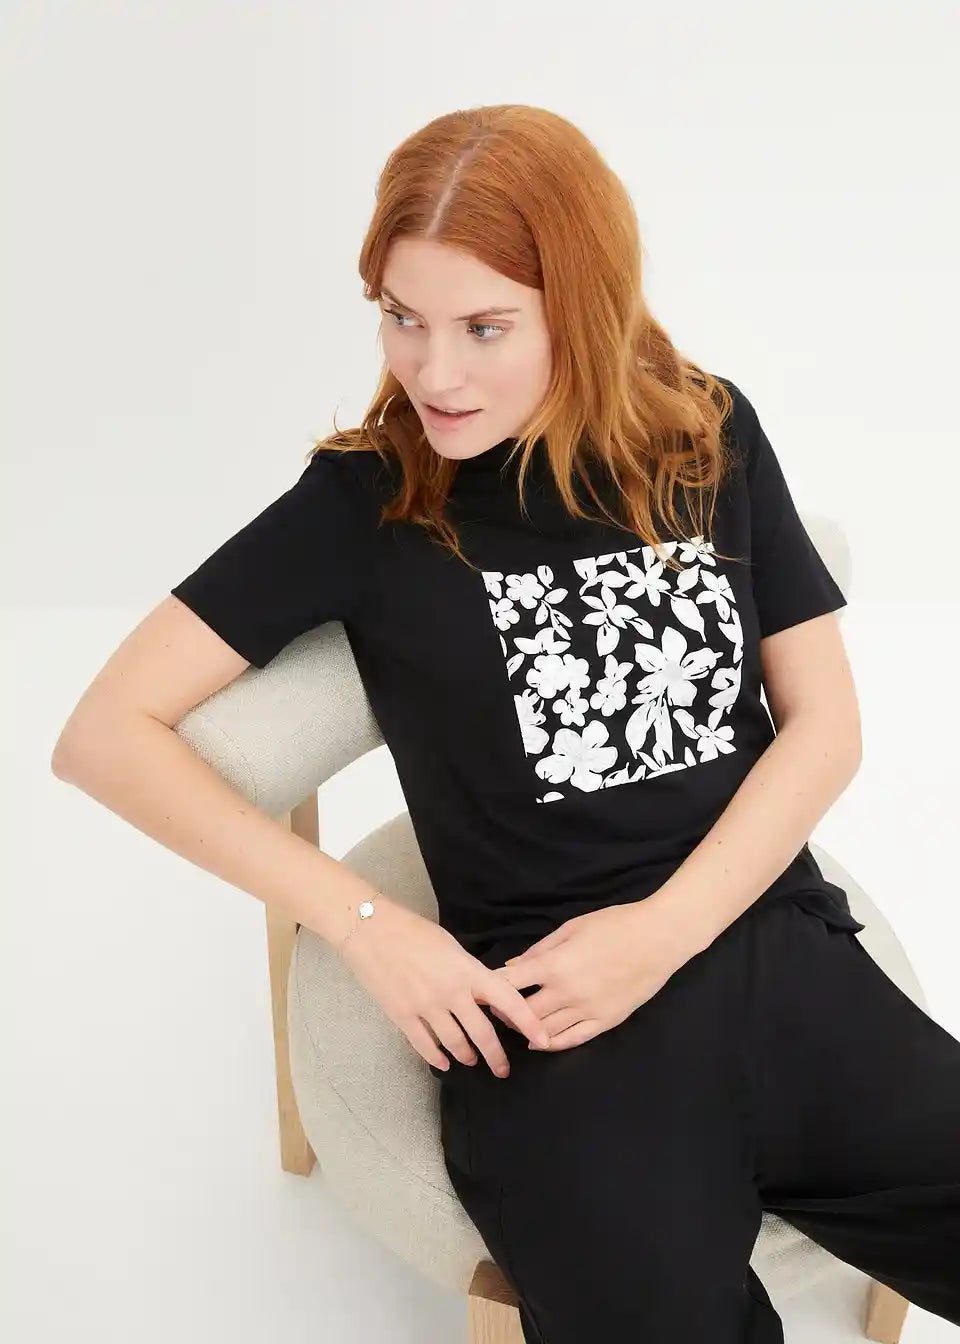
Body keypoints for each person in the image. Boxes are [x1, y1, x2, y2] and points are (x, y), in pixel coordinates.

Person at [51, 104, 960, 1340]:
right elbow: (104, 734)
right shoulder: (367, 500)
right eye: (401, 316)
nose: (433, 374)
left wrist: (662, 935)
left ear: (580, 308)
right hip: (547, 1025)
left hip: (765, 945)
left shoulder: (707, 433)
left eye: (484, 327)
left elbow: (825, 726)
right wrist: (368, 926)